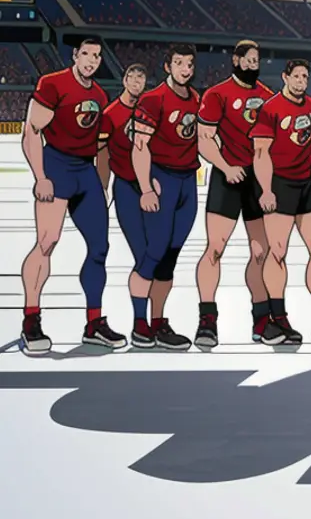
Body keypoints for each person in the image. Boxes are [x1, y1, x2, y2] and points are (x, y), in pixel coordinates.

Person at [20, 38, 123, 353]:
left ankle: (94, 322)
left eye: (97, 56)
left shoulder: (100, 94)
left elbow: (101, 145)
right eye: (87, 54)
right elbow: (31, 132)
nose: (92, 60)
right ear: (75, 56)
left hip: (85, 171)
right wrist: (41, 177)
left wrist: (102, 185)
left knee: (99, 248)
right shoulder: (53, 84)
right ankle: (31, 318)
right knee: (47, 242)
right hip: (57, 166)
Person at [249, 58, 311, 346]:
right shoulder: (270, 109)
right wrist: (266, 190)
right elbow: (261, 153)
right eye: (297, 76)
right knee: (277, 252)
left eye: (305, 76)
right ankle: (277, 317)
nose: (302, 81)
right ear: (285, 77)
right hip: (278, 185)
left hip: (306, 185)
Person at [193, 40, 273, 348]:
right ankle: (207, 320)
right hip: (227, 178)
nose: (254, 65)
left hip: (256, 180)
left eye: (257, 60)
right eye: (249, 60)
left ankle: (262, 318)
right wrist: (226, 167)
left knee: (261, 252)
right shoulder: (217, 94)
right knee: (215, 248)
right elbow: (204, 140)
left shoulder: (268, 97)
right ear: (236, 61)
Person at [130, 43, 202, 351]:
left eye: (189, 64)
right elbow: (140, 146)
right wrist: (146, 187)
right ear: (167, 66)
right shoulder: (153, 99)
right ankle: (139, 323)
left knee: (170, 257)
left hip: (188, 181)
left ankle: (158, 321)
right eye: (179, 63)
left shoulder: (197, 99)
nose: (185, 69)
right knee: (153, 253)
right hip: (163, 179)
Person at [97, 62, 147, 344]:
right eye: (133, 76)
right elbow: (102, 155)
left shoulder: (151, 108)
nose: (137, 81)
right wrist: (102, 188)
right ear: (125, 79)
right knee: (142, 254)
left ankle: (153, 319)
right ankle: (140, 321)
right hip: (127, 188)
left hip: (152, 188)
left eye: (142, 77)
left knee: (155, 254)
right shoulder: (111, 114)